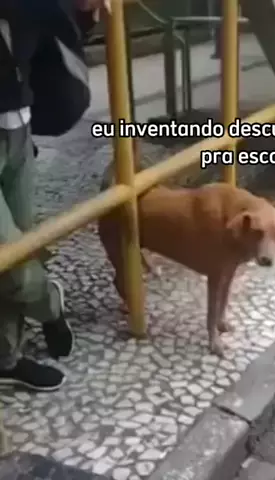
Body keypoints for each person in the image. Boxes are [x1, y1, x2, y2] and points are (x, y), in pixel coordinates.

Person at [0, 0, 108, 392]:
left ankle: (6, 357)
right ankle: (49, 304)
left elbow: (54, 24)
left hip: (18, 128)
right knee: (11, 258)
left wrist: (83, 13)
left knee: (22, 243)